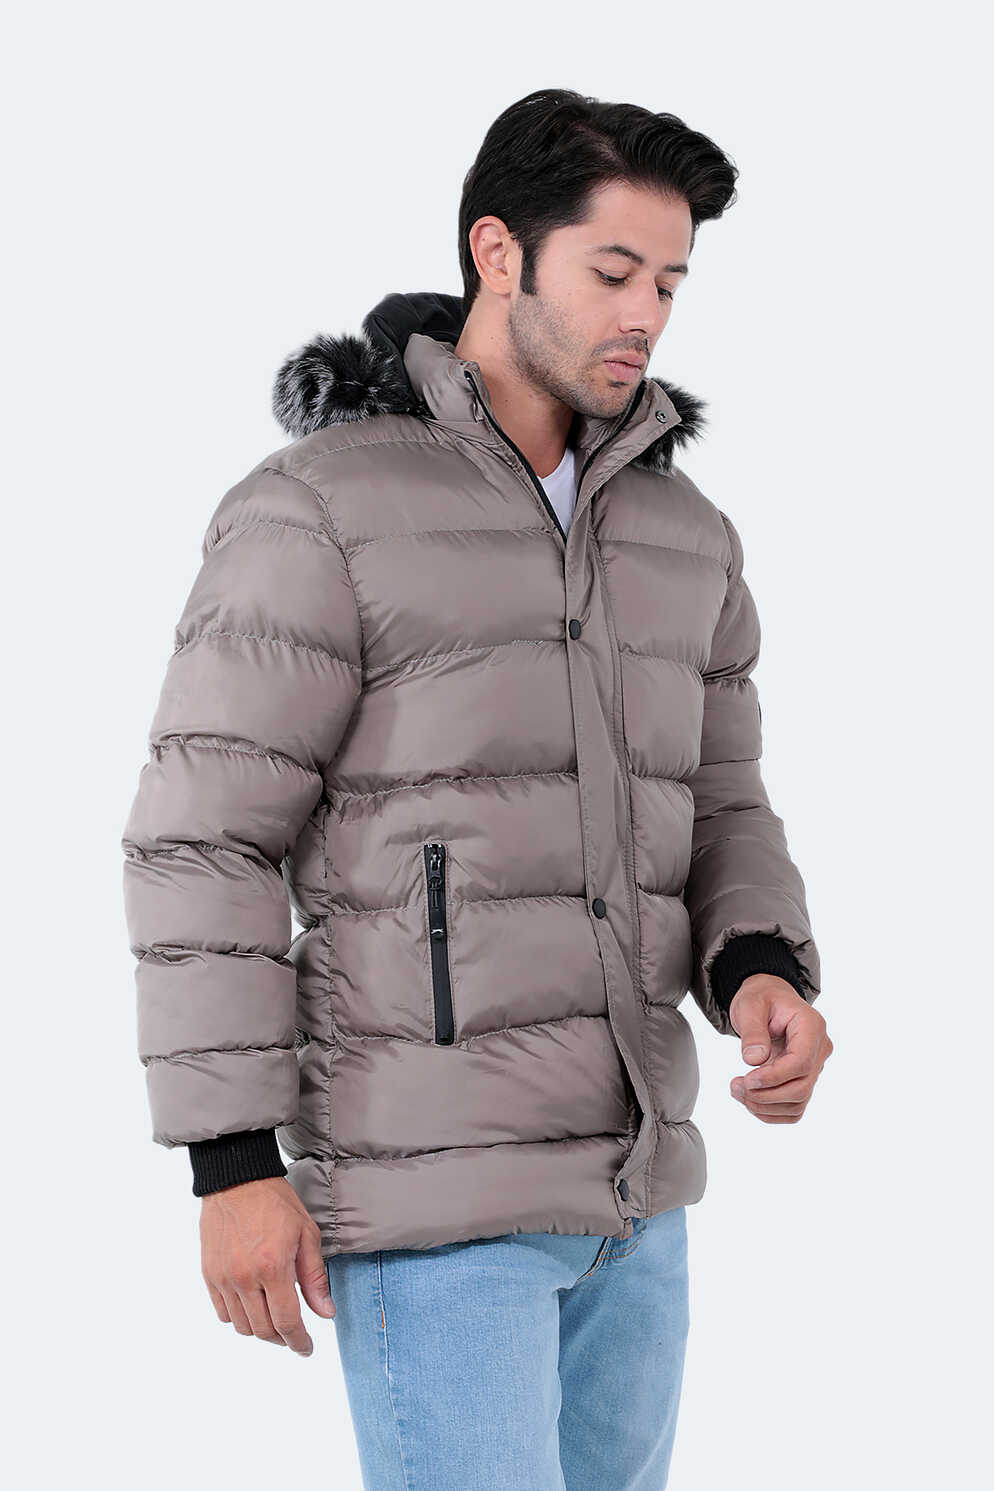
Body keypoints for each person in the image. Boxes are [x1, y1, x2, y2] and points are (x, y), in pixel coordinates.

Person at [121, 88, 832, 1489]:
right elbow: (201, 839)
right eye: (612, 273)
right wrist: (230, 1160)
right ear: (497, 252)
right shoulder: (323, 507)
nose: (645, 315)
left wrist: (760, 965)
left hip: (638, 1197)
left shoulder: (684, 534)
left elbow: (724, 802)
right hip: (433, 1196)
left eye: (670, 282)